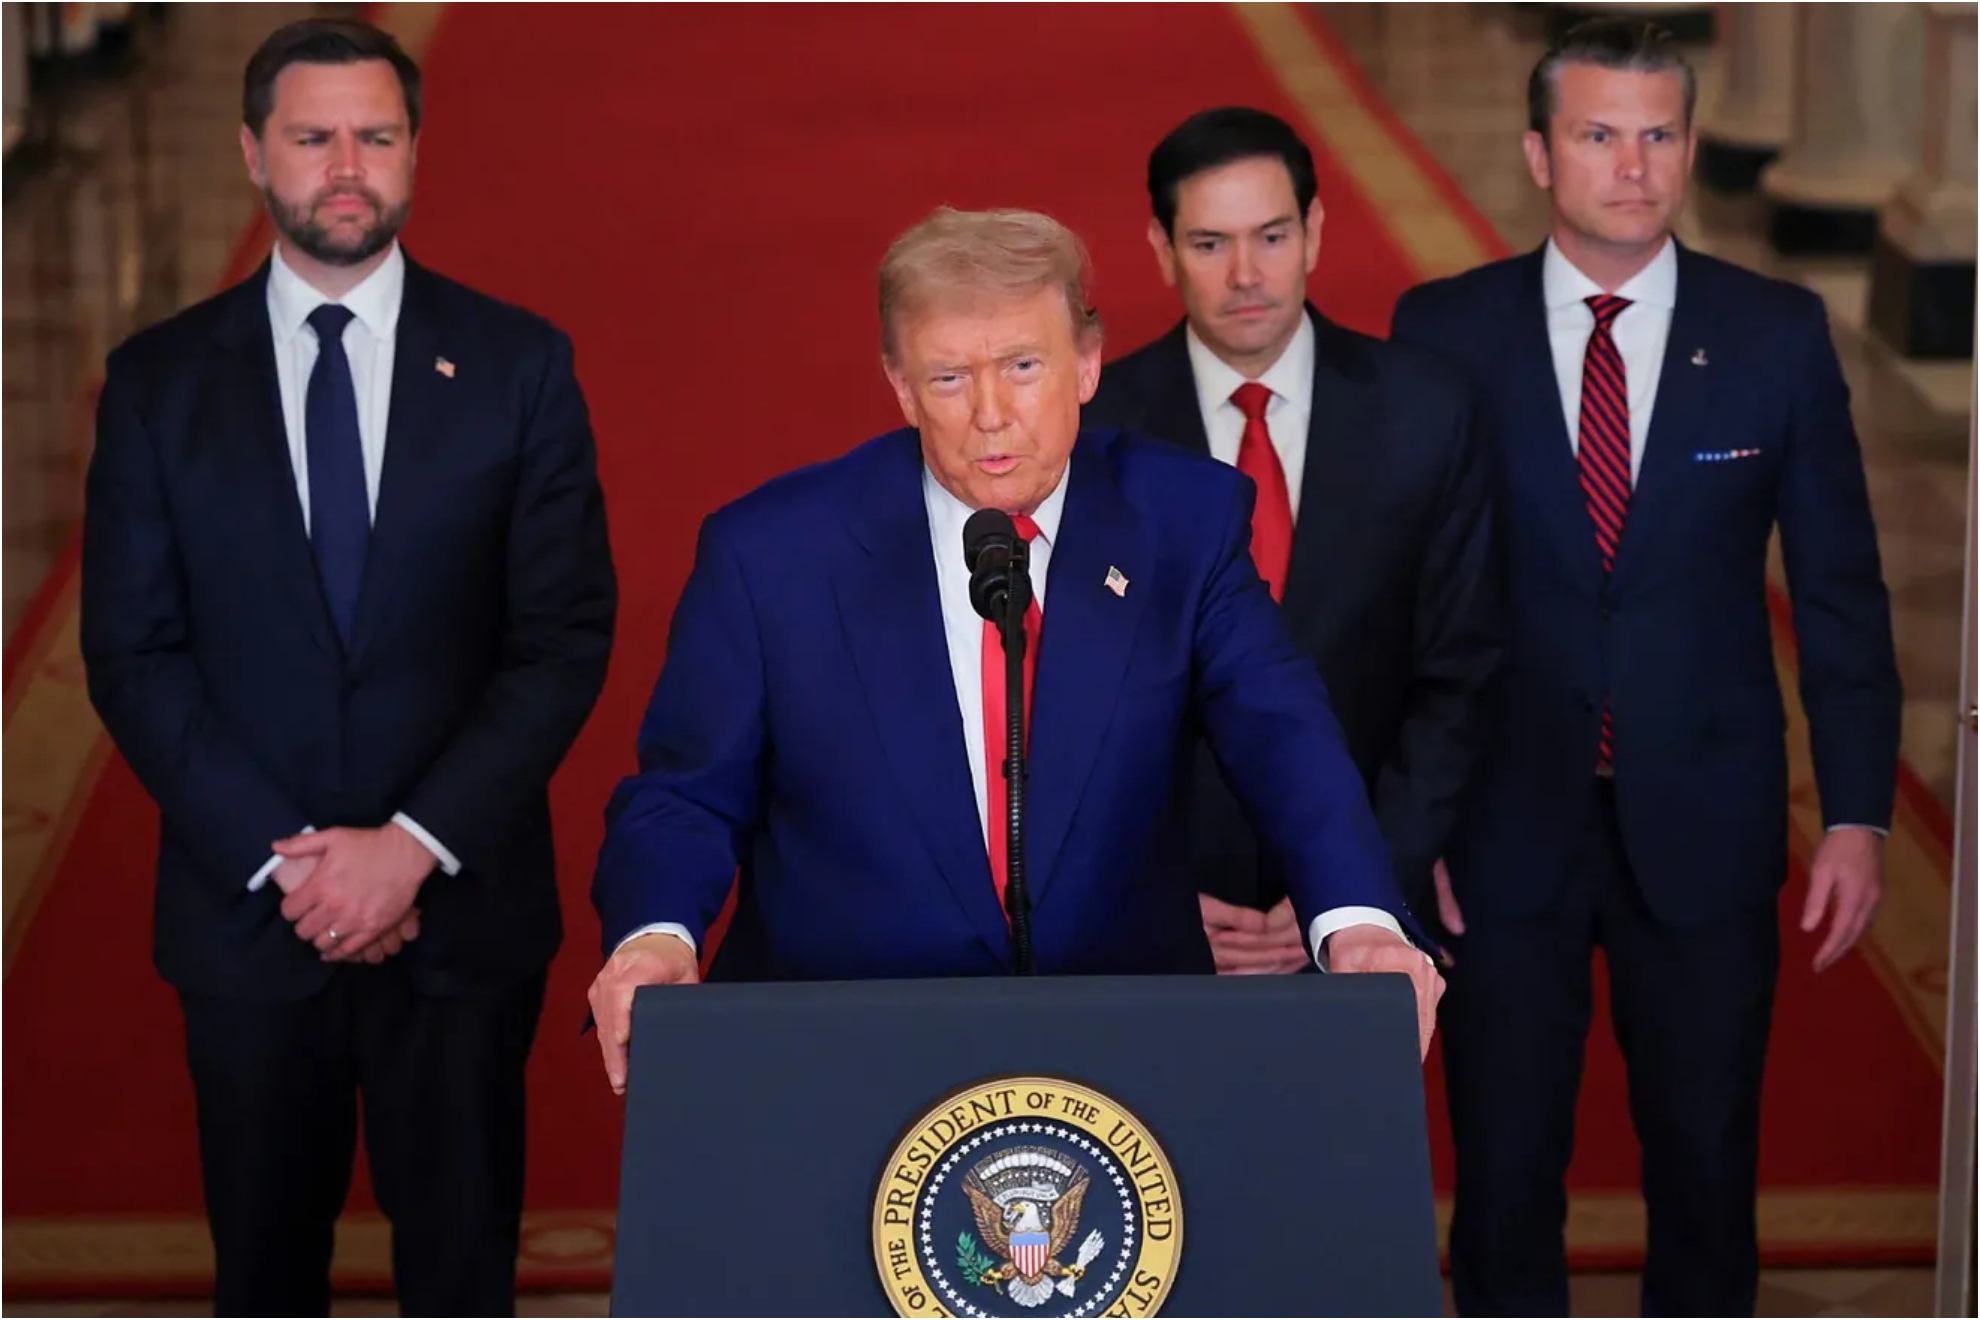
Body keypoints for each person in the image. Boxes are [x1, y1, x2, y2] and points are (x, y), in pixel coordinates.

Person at [586, 206, 1442, 1093]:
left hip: (1122, 1054)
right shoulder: (772, 554)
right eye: (949, 378)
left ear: (1087, 363)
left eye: (1024, 367)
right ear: (902, 387)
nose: (991, 415)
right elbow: (685, 796)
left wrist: (1358, 919)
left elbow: (1284, 738)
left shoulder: (1183, 524)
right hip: (840, 1055)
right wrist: (654, 937)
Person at [79, 18, 616, 1315]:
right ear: (253, 151)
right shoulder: (157, 385)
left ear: (415, 153)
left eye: (375, 137)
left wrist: (411, 846)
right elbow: (132, 651)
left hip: (461, 916)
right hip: (250, 913)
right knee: (264, 1275)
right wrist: (293, 858)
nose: (345, 167)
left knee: (463, 1272)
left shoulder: (518, 365)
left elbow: (560, 637)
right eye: (313, 136)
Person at [1389, 20, 1901, 1317]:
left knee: (1707, 1165)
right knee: (1503, 1178)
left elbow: (1840, 594)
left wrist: (1854, 813)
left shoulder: (1779, 337)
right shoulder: (1442, 331)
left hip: (1710, 820)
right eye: (1598, 135)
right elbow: (1406, 600)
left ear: (1686, 150)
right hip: (1503, 827)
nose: (1632, 165)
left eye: (1658, 134)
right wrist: (1410, 821)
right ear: (1539, 155)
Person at [1084, 106, 1501, 973]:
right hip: (1163, 924)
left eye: (1271, 236)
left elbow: (1459, 675)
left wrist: (1356, 891)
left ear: (1313, 231)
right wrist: (1148, 895)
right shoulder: (1096, 436)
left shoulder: (1426, 411)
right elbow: (1066, 698)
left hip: (1370, 924)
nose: (1245, 274)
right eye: (1208, 244)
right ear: (1160, 250)